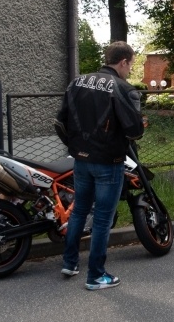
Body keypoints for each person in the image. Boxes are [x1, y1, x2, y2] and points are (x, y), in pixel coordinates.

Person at [57, 41, 144, 290]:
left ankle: (70, 262)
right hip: (109, 161)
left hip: (81, 160)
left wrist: (74, 146)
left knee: (80, 210)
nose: (130, 70)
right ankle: (96, 275)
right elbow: (135, 131)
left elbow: (60, 121)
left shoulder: (76, 83)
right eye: (131, 65)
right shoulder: (123, 89)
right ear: (123, 62)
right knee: (103, 219)